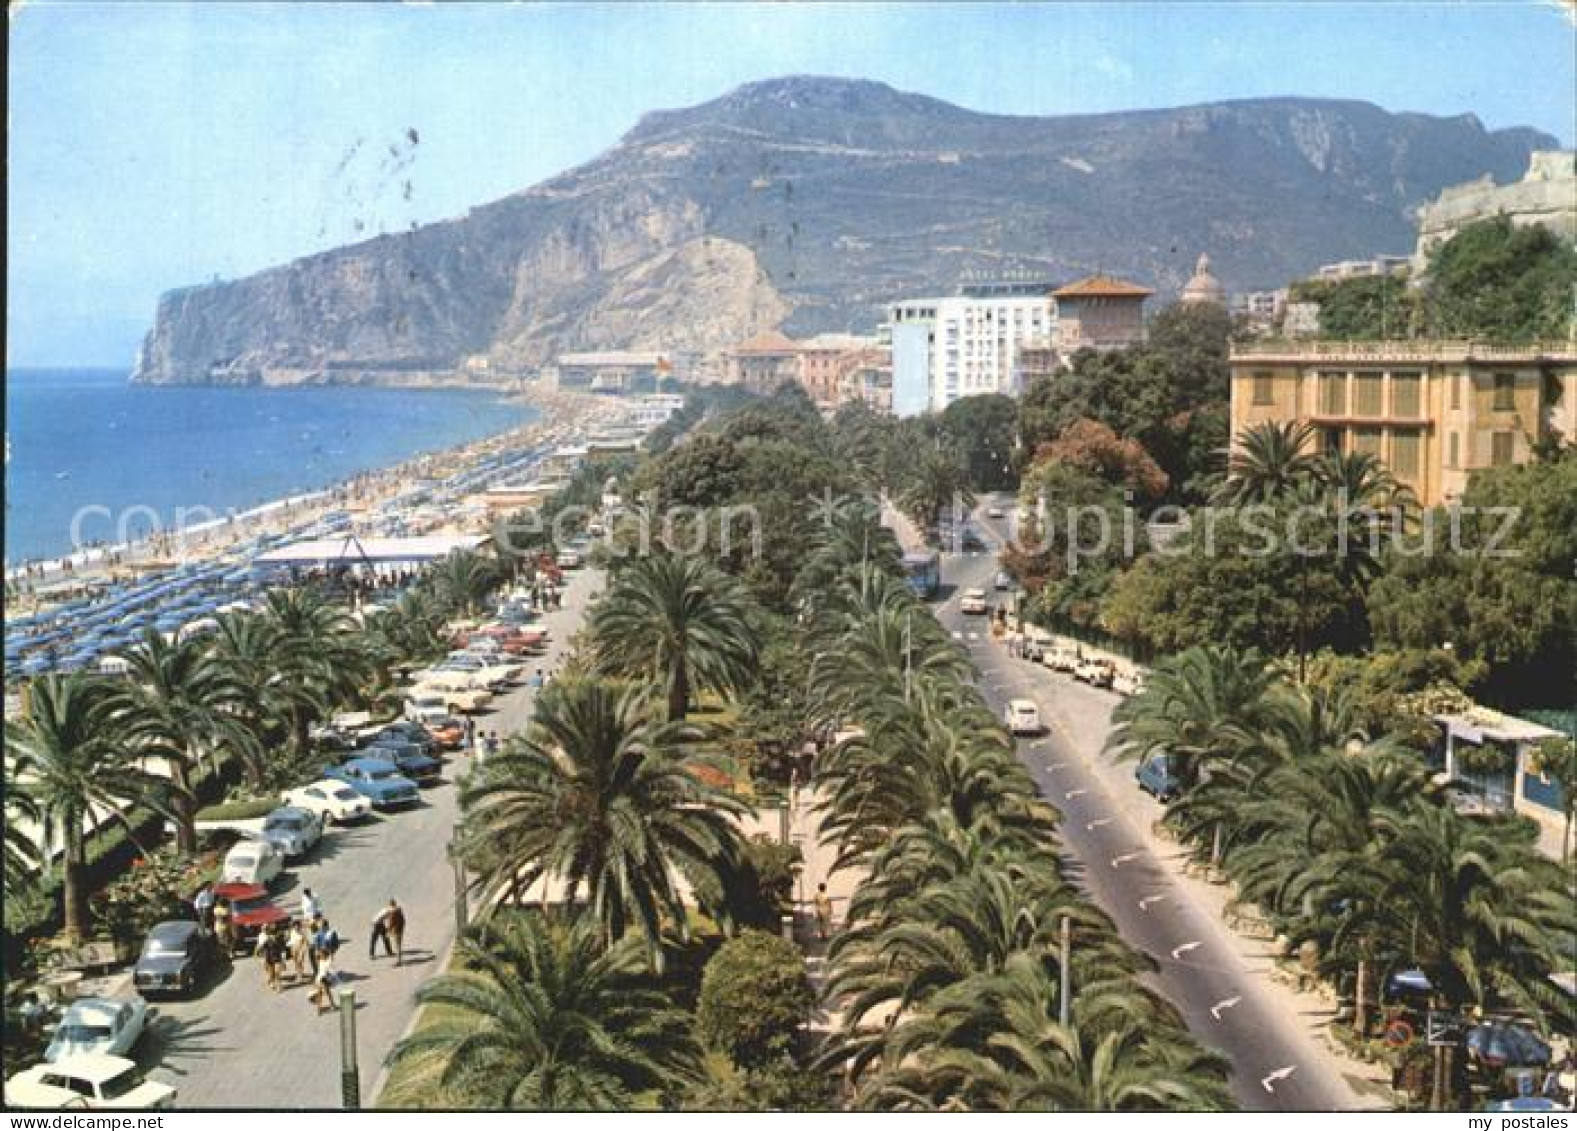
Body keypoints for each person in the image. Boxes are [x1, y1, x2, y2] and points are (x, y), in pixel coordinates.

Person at [260, 925, 286, 992]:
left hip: (277, 958)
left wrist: (283, 960)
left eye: (273, 934)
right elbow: (263, 949)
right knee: (272, 974)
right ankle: (272, 982)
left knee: (277, 972)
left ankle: (279, 986)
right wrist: (264, 960)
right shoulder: (267, 941)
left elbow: (283, 949)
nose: (272, 935)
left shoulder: (279, 939)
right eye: (270, 934)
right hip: (269, 958)